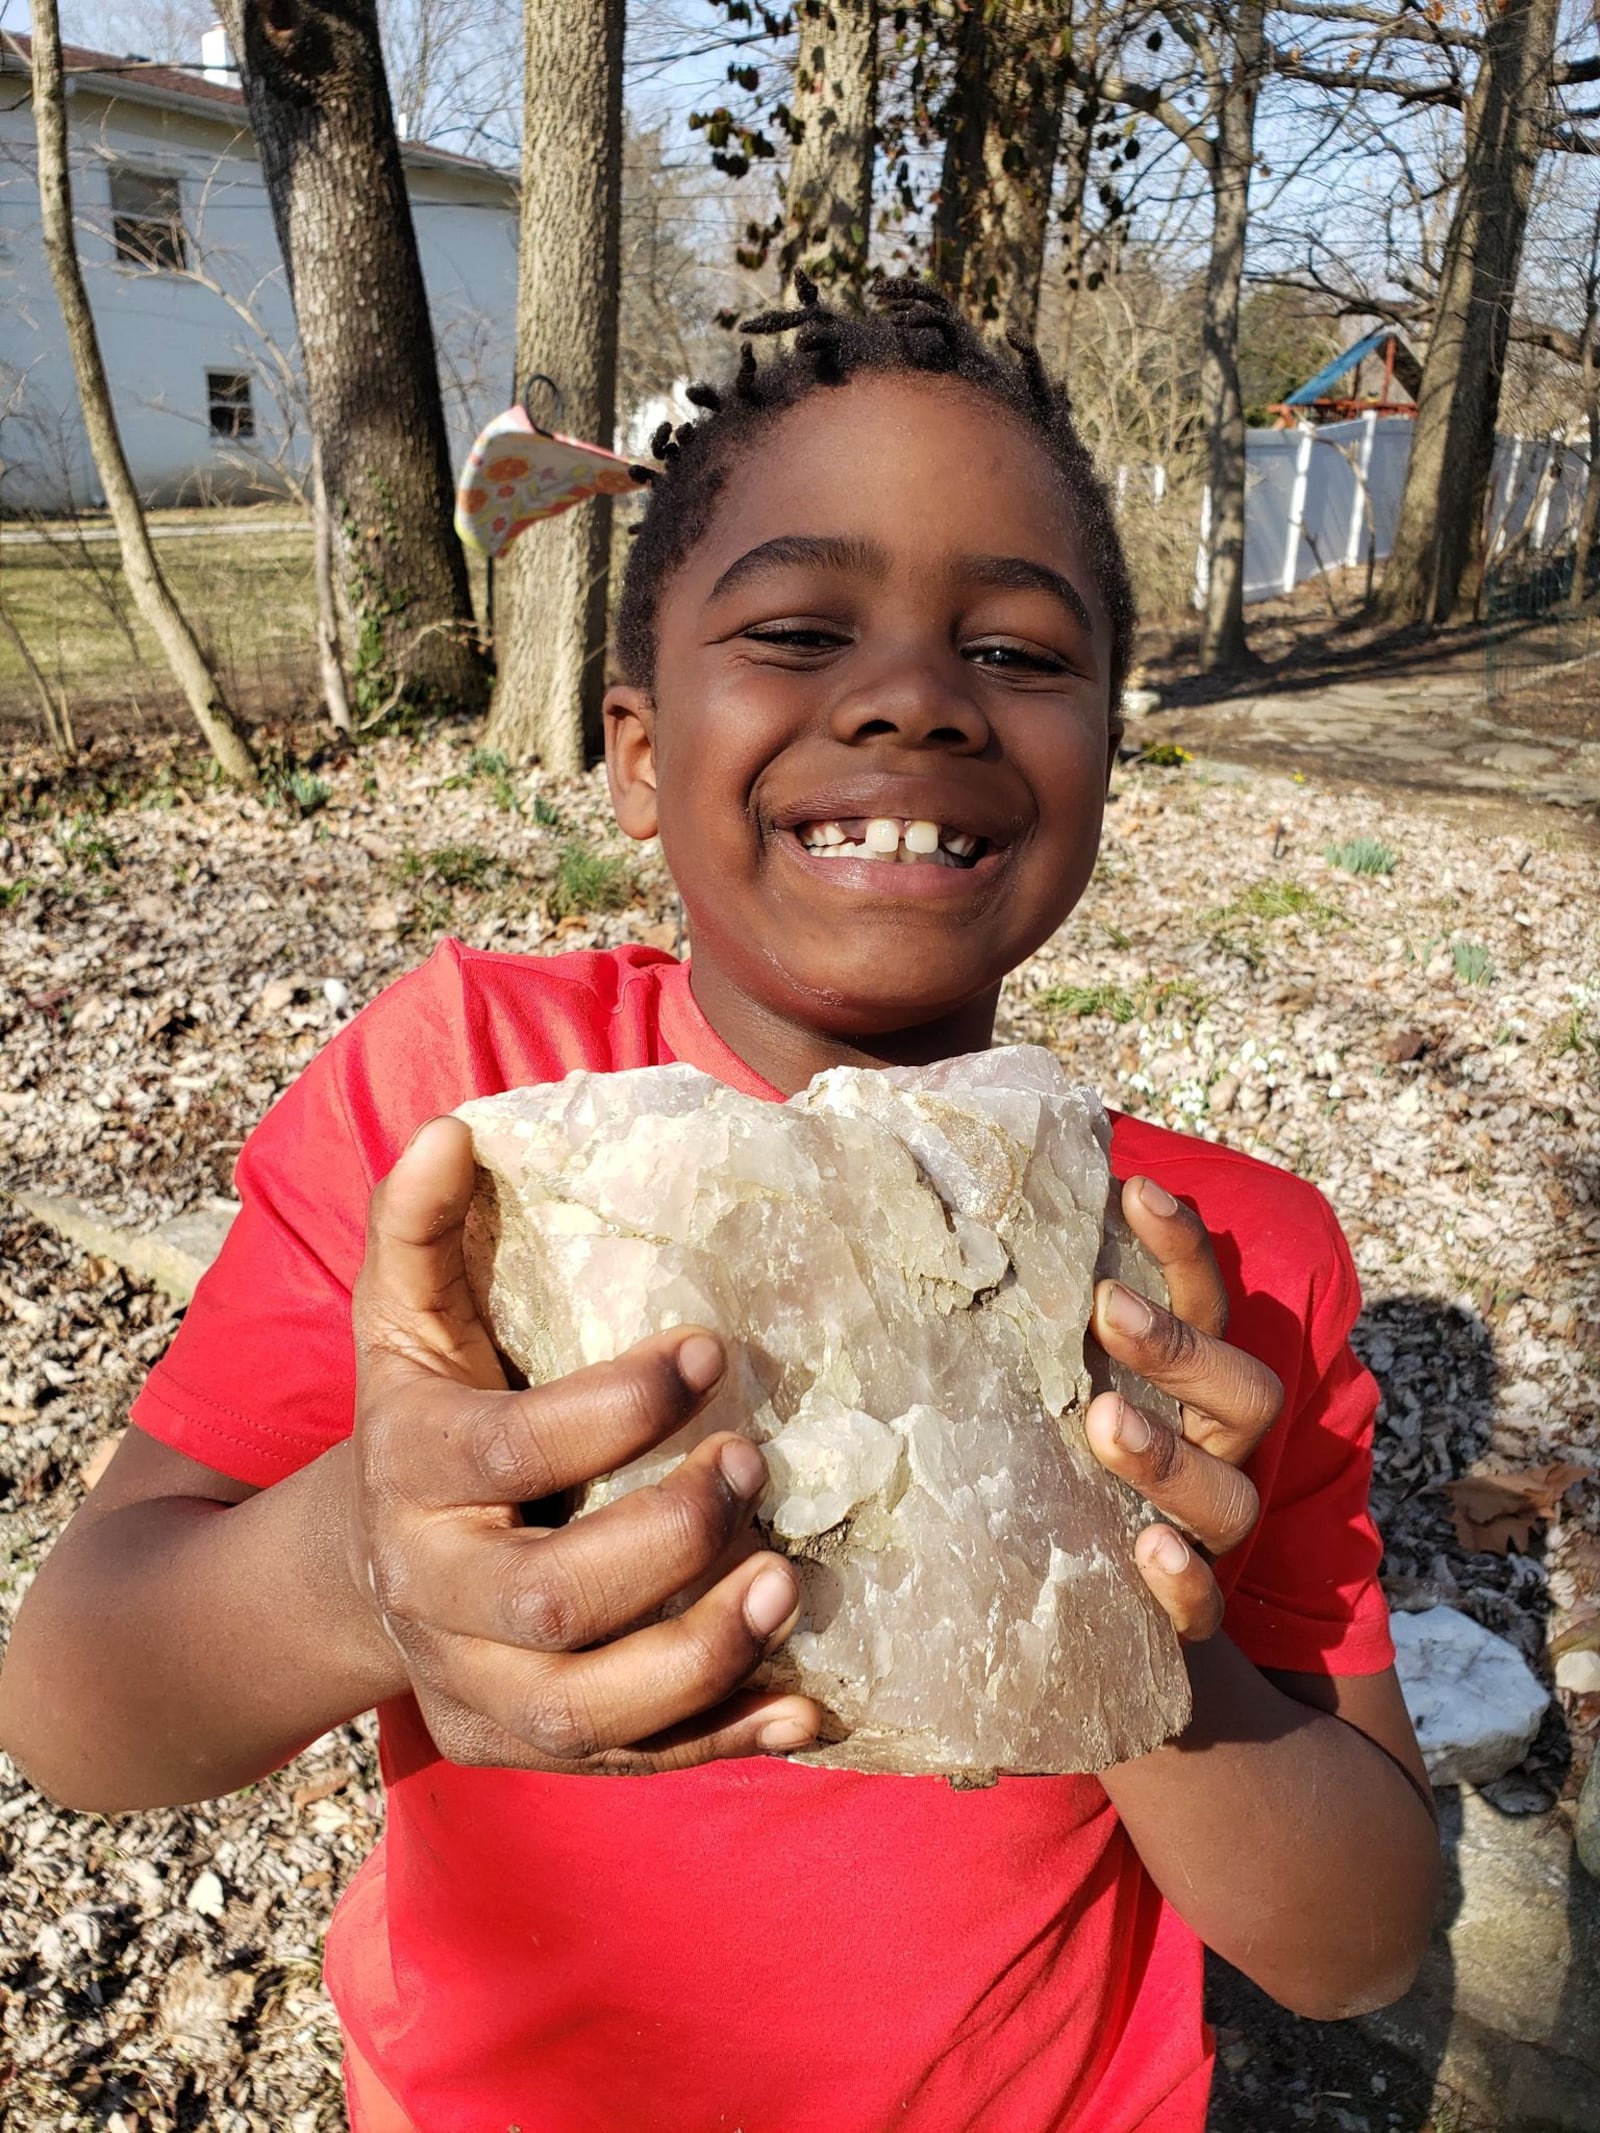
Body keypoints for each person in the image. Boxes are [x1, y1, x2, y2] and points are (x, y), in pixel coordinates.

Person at [0, 279, 1440, 2133]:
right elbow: (75, 1705)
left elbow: (1359, 1941)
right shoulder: (464, 1120)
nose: (914, 695)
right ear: (631, 746)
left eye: (1014, 651)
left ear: (1103, 748)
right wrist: (369, 1571)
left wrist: (1150, 1625)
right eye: (797, 627)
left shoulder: (1215, 1261)